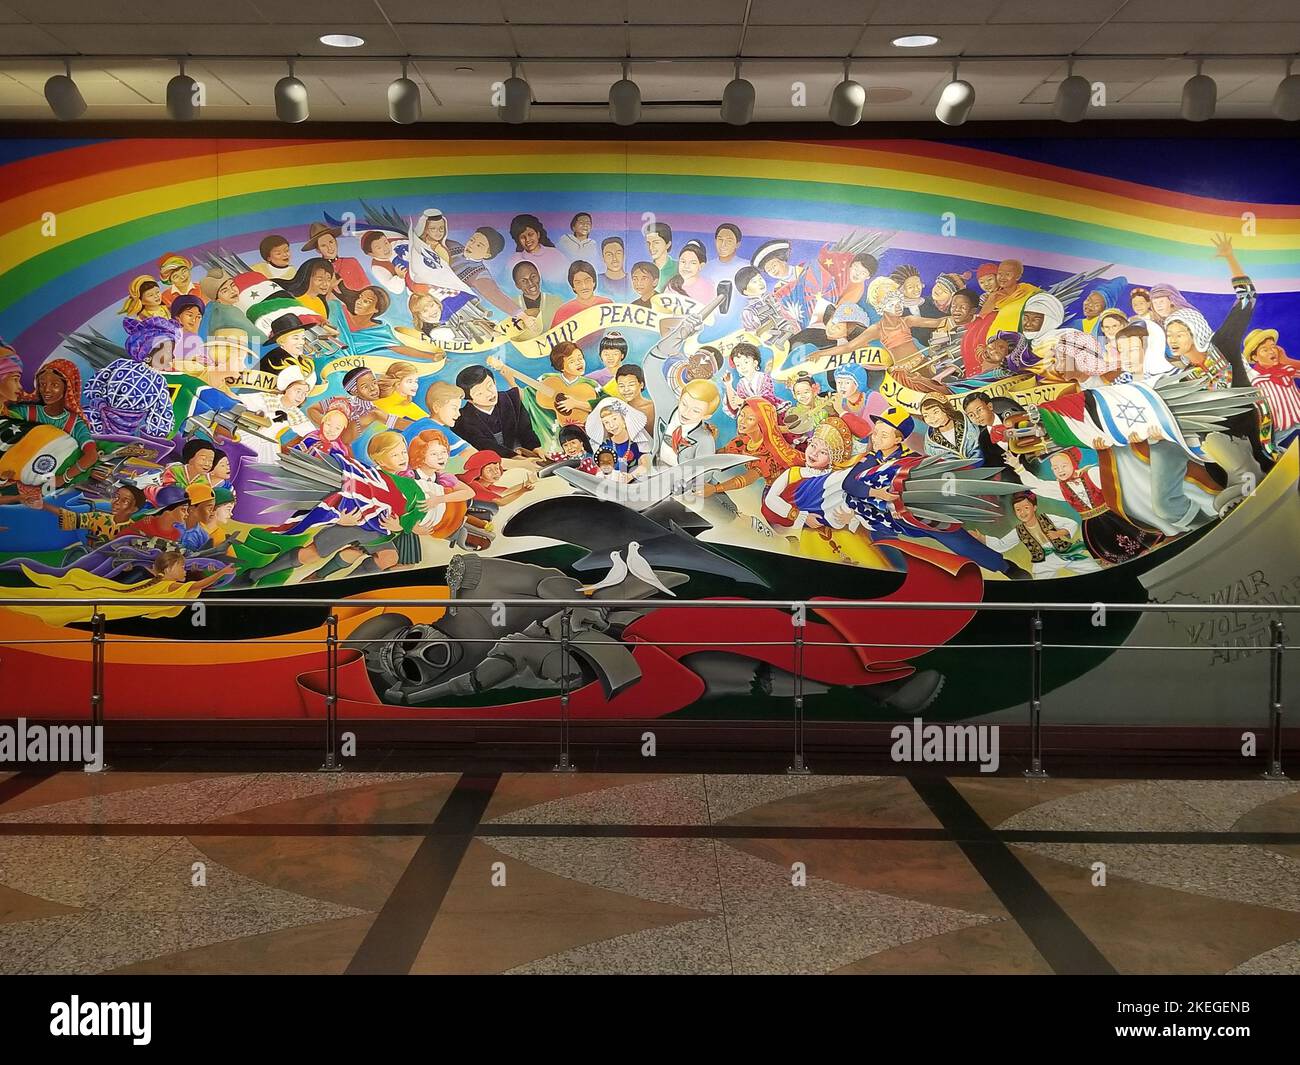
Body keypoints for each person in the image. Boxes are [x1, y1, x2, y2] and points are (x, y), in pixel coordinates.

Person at [827, 407, 1031, 579]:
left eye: (884, 434)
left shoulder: (913, 461)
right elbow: (849, 485)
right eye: (875, 432)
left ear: (898, 440)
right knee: (888, 556)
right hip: (886, 521)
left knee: (959, 541)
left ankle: (1005, 567)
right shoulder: (869, 460)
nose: (876, 438)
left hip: (922, 515)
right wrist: (877, 494)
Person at [1048, 448, 1159, 565]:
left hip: (1111, 515)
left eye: (1064, 466)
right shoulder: (1058, 487)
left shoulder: (1092, 473)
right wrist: (1024, 472)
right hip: (1091, 525)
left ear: (1073, 463)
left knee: (1132, 535)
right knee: (1107, 546)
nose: (1060, 470)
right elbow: (1037, 485)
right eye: (1055, 468)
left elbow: (1115, 478)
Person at [11, 360, 98, 488]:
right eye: (42, 384)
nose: (46, 390)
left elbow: (91, 456)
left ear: (67, 387)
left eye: (54, 385)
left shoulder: (75, 424)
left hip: (50, 483)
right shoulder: (26, 412)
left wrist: (63, 478)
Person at [972, 490, 1098, 578]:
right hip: (1043, 561)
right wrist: (981, 538)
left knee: (1094, 570)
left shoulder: (1047, 517)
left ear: (1034, 507)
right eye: (1018, 510)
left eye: (1026, 508)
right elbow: (1002, 545)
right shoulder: (1019, 530)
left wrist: (1059, 533)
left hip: (1065, 552)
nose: (1022, 513)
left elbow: (1072, 523)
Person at [452, 364, 542, 458]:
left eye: (490, 386)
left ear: (495, 382)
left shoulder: (511, 399)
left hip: (524, 456)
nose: (489, 394)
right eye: (479, 393)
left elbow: (525, 430)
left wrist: (536, 448)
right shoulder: (462, 419)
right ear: (469, 399)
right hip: (490, 464)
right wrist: (515, 458)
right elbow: (483, 445)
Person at [1245, 328, 1300, 449]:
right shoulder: (1254, 380)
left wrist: (1286, 360)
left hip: (1298, 416)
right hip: (1279, 426)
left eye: (1273, 347)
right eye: (1265, 350)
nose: (1272, 351)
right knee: (1269, 449)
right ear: (1254, 357)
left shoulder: (1285, 369)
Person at [584, 397, 651, 481]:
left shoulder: (637, 442)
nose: (611, 425)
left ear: (624, 419)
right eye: (606, 423)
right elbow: (599, 470)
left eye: (614, 419)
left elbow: (646, 465)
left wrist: (631, 476)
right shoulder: (604, 445)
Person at [300, 221, 368, 292]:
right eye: (323, 245)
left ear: (336, 242)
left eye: (331, 242)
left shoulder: (352, 262)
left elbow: (368, 287)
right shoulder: (316, 270)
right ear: (318, 250)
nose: (330, 248)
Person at [507, 214, 568, 285]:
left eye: (530, 234)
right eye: (523, 237)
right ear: (518, 240)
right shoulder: (514, 259)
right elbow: (508, 286)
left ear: (538, 234)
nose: (527, 240)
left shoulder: (555, 254)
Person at [724, 341, 777, 416]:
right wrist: (728, 384)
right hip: (752, 415)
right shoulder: (741, 384)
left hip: (769, 412)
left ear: (755, 363)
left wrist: (744, 401)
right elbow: (736, 406)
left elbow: (768, 400)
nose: (742, 367)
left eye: (746, 362)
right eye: (738, 365)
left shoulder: (764, 378)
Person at [919, 396, 981, 461]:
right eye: (926, 415)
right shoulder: (930, 442)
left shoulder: (969, 422)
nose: (931, 418)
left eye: (936, 412)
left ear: (946, 410)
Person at [511, 260, 563, 335]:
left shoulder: (556, 301)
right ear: (517, 285)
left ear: (539, 276)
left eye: (533, 276)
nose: (530, 283)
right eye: (523, 281)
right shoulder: (512, 306)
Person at [665, 240, 715, 305]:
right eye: (683, 262)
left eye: (692, 263)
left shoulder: (707, 287)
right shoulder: (672, 284)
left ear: (701, 266)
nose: (686, 266)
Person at [645, 222, 676, 292]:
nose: (651, 247)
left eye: (656, 242)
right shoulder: (645, 270)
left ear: (668, 244)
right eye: (648, 243)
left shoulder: (679, 268)